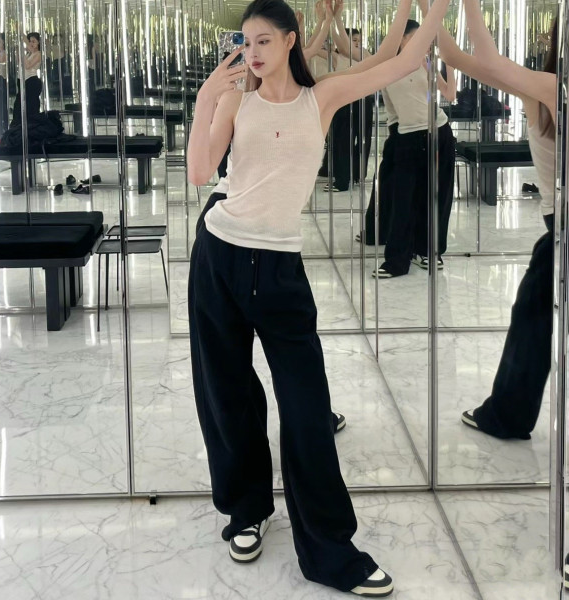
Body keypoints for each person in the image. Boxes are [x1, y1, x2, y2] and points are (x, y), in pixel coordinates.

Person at [186, 0, 450, 596]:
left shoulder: (320, 98)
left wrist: (431, 7)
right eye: (245, 42)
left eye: (263, 41)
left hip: (281, 266)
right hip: (220, 253)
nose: (252, 53)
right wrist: (206, 98)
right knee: (227, 391)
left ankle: (330, 549)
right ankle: (246, 509)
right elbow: (201, 172)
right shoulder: (236, 98)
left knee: (306, 407)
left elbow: (400, 58)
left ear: (290, 41)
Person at [414, 0, 557, 439]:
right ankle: (508, 414)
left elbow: (478, 59)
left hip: (561, 230)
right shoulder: (544, 88)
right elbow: (456, 58)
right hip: (557, 232)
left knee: (532, 315)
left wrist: (464, 4)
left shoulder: (550, 87)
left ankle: (508, 415)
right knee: (532, 311)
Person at [372, 19, 457, 278]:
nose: (424, 43)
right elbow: (393, 110)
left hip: (439, 131)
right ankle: (397, 260)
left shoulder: (426, 62)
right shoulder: (387, 67)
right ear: (401, 39)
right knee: (403, 201)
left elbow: (448, 94)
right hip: (407, 136)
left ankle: (429, 251)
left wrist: (450, 64)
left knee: (437, 196)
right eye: (416, 37)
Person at [10, 32, 42, 126]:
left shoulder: (38, 54)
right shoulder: (29, 54)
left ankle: (31, 128)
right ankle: (18, 127)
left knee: (30, 107)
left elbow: (28, 66)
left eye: (33, 41)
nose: (31, 44)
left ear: (39, 43)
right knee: (18, 107)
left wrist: (22, 51)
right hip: (22, 81)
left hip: (31, 81)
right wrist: (19, 52)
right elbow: (20, 63)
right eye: (30, 42)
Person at [0, 33, 8, 133]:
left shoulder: (4, 54)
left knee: (1, 103)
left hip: (0, 79)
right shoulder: (0, 53)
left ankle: (3, 124)